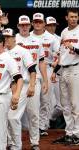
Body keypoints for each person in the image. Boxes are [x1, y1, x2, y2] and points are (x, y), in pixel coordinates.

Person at [15, 15, 48, 150]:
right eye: (21, 25)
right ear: (18, 26)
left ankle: (35, 142)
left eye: (26, 24)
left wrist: (45, 80)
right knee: (14, 115)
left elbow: (41, 62)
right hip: (17, 82)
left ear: (30, 25)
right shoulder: (14, 39)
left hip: (33, 82)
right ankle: (14, 143)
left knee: (34, 114)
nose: (24, 27)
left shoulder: (36, 41)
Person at [51, 8, 79, 145]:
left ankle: (77, 134)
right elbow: (62, 55)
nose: (74, 19)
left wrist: (73, 47)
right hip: (63, 70)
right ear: (66, 18)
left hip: (76, 68)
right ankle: (69, 133)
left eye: (76, 17)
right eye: (71, 17)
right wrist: (55, 71)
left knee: (75, 104)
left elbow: (73, 51)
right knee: (65, 104)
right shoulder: (64, 32)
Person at [30, 13, 60, 136]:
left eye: (40, 22)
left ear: (43, 24)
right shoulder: (28, 36)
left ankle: (42, 126)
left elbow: (58, 55)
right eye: (35, 22)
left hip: (47, 68)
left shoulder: (52, 38)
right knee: (32, 100)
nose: (37, 24)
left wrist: (55, 68)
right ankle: (33, 126)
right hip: (32, 69)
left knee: (45, 100)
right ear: (32, 23)